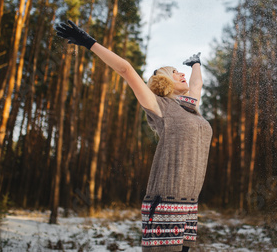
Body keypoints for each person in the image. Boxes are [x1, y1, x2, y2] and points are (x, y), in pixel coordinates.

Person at [55, 21, 212, 252]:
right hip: (166, 200)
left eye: (182, 71)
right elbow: (126, 69)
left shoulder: (190, 107)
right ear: (164, 81)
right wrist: (89, 42)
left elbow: (196, 84)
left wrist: (196, 62)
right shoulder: (159, 105)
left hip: (188, 203)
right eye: (175, 71)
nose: (182, 74)